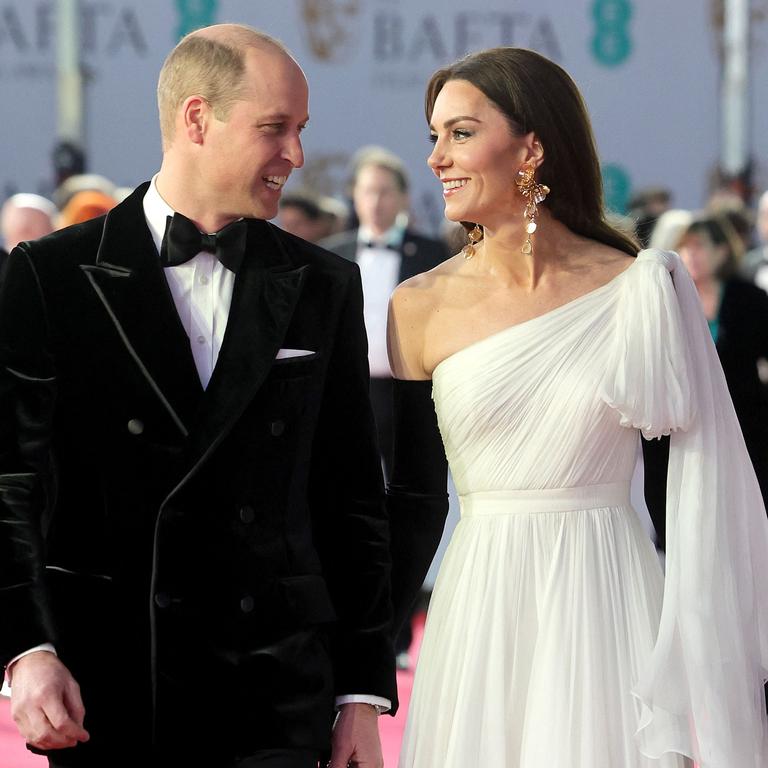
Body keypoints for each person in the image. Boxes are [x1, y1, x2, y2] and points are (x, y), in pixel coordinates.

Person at [0, 24, 395, 768]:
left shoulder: (323, 285)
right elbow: (9, 483)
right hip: (111, 682)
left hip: (277, 689)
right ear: (196, 119)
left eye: (301, 131)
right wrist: (27, 648)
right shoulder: (51, 275)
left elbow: (352, 501)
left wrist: (362, 695)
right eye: (274, 129)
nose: (297, 156)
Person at [386, 47, 768, 767]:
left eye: (460, 133)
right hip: (481, 607)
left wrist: (701, 662)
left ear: (530, 148)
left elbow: (693, 487)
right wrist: (365, 667)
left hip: (608, 602)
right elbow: (411, 500)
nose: (436, 157)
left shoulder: (643, 289)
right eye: (432, 136)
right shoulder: (416, 306)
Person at [321, 146, 448, 670]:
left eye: (385, 191)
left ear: (402, 198)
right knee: (348, 510)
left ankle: (396, 633)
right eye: (366, 191)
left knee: (410, 507)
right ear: (354, 197)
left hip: (410, 393)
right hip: (347, 395)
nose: (375, 201)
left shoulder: (433, 254)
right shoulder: (332, 253)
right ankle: (345, 627)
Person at [676, 214, 768, 503]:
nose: (691, 255)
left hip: (746, 420)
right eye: (686, 247)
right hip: (690, 425)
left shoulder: (748, 297)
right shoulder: (672, 296)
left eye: (699, 247)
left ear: (722, 251)